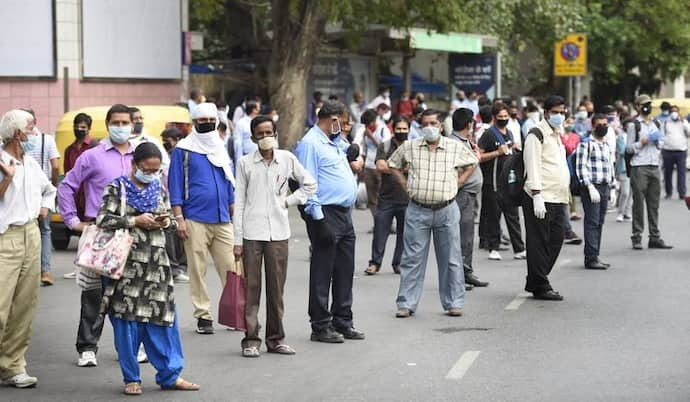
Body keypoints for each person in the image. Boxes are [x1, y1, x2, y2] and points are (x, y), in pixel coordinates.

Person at [97, 143, 200, 395]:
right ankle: (131, 378)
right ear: (135, 165)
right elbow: (102, 219)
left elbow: (167, 218)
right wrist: (134, 220)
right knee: (127, 322)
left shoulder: (158, 187)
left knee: (163, 320)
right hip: (126, 268)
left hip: (157, 265)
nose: (152, 174)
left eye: (156, 170)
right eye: (147, 169)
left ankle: (170, 374)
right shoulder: (117, 187)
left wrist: (165, 221)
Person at [58, 104, 141, 367]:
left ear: (132, 124)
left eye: (125, 122)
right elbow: (67, 186)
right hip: (101, 232)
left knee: (130, 293)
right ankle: (87, 347)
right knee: (94, 293)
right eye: (115, 122)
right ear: (107, 125)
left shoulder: (139, 156)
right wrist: (72, 221)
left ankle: (129, 347)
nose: (121, 127)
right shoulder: (92, 156)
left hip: (133, 229)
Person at [233, 115, 316, 357]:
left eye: (269, 132)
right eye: (260, 134)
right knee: (251, 288)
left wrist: (288, 201)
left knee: (276, 289)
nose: (265, 137)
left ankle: (276, 338)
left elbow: (310, 184)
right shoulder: (245, 163)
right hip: (251, 233)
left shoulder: (287, 159)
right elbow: (239, 202)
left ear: (276, 133)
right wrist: (237, 240)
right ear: (253, 138)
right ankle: (251, 339)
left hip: (279, 233)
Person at [388, 109, 478, 318]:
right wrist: (404, 183)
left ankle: (454, 302)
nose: (430, 127)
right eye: (426, 124)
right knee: (412, 259)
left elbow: (473, 161)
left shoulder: (454, 147)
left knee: (451, 259)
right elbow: (392, 164)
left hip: (446, 209)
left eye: (434, 123)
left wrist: (461, 180)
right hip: (418, 210)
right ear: (421, 126)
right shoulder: (410, 147)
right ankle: (406, 303)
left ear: (441, 126)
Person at [294, 100, 364, 343]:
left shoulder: (334, 141)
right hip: (325, 213)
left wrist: (351, 150)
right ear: (333, 120)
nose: (345, 127)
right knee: (323, 271)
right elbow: (307, 182)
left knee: (345, 270)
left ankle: (343, 320)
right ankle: (320, 325)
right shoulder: (310, 144)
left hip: (344, 214)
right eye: (343, 123)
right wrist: (317, 219)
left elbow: (348, 153)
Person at [168, 103, 236, 335]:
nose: (207, 123)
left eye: (210, 119)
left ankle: (235, 313)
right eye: (202, 120)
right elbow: (175, 185)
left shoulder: (220, 146)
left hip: (223, 218)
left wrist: (233, 206)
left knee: (232, 268)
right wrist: (179, 218)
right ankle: (203, 316)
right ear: (195, 123)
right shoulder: (183, 150)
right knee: (197, 271)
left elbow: (229, 179)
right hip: (194, 218)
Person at [0, 109, 56, 388]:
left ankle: (13, 365)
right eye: (31, 127)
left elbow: (49, 189)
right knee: (0, 305)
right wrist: (7, 178)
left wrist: (44, 209)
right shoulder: (1, 161)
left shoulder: (31, 163)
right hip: (4, 237)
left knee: (24, 305)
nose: (36, 132)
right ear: (17, 133)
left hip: (31, 234)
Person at [522, 95, 571, 301]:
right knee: (538, 242)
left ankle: (535, 280)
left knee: (556, 239)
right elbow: (532, 165)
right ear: (546, 112)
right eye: (556, 112)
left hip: (558, 197)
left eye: (562, 112)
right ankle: (540, 284)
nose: (559, 116)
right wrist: (536, 195)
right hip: (541, 196)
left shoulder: (557, 134)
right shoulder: (536, 134)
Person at [477, 104, 526, 261]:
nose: (504, 119)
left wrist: (515, 148)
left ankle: (519, 248)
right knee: (494, 216)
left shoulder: (510, 133)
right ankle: (493, 247)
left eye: (506, 117)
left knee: (513, 216)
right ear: (494, 117)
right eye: (501, 117)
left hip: (509, 182)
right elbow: (478, 156)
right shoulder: (488, 134)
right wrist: (496, 153)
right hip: (493, 182)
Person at [626, 95, 672, 250]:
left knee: (654, 205)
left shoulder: (657, 123)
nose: (647, 107)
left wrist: (658, 140)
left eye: (649, 104)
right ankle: (637, 237)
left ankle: (654, 237)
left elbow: (661, 143)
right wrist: (642, 142)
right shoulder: (634, 125)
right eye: (644, 105)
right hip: (639, 166)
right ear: (638, 107)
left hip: (654, 165)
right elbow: (628, 148)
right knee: (638, 204)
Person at [365, 115, 409, 276]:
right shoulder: (386, 145)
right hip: (386, 198)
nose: (401, 131)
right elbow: (380, 166)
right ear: (393, 129)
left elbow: (415, 167)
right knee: (380, 232)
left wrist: (393, 167)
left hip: (407, 198)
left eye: (404, 129)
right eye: (399, 128)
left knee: (404, 234)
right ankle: (375, 263)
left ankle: (398, 263)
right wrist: (402, 169)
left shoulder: (412, 147)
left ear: (409, 130)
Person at [449, 108, 488, 288]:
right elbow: (459, 171)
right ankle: (458, 276)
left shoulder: (465, 141)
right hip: (461, 194)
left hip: (470, 194)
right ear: (468, 124)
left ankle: (467, 271)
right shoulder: (454, 143)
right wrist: (476, 159)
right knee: (460, 236)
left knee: (468, 236)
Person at [22, 108, 60, 286]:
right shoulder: (47, 140)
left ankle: (26, 271)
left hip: (24, 192)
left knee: (25, 230)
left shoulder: (17, 141)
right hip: (43, 191)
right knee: (45, 231)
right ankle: (45, 271)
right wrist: (52, 185)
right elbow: (55, 166)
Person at [575, 114, 615, 269]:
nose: (603, 127)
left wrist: (612, 186)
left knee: (600, 222)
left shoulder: (605, 145)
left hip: (604, 186)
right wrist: (589, 186)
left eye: (606, 124)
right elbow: (581, 166)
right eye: (600, 124)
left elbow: (609, 166)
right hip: (592, 187)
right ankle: (591, 258)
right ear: (593, 126)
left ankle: (595, 255)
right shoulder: (586, 144)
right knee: (592, 222)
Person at [160, 127, 189, 284]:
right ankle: (174, 267)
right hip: (168, 200)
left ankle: (181, 267)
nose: (165, 143)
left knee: (182, 235)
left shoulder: (184, 153)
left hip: (181, 198)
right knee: (171, 234)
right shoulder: (165, 156)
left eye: (168, 140)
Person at [359, 109, 391, 218]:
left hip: (380, 167)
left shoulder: (383, 130)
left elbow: (385, 149)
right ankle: (377, 222)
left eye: (368, 123)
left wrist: (372, 137)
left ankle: (387, 222)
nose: (367, 126)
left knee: (383, 196)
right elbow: (364, 150)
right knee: (371, 198)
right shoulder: (365, 132)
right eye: (365, 124)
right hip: (368, 166)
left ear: (374, 121)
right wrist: (362, 168)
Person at [661, 105, 690, 199]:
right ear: (670, 113)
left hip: (681, 151)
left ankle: (682, 193)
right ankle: (668, 192)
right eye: (672, 111)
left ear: (678, 112)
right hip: (667, 150)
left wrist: (683, 122)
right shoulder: (665, 122)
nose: (674, 113)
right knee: (667, 173)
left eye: (676, 111)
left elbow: (689, 133)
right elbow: (661, 135)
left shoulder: (683, 122)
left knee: (681, 173)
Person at [128, 107, 170, 172]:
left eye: (141, 118)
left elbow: (166, 164)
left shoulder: (152, 141)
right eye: (135, 119)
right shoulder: (123, 142)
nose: (139, 121)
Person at [233, 100, 260, 169]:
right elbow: (238, 142)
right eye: (258, 107)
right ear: (254, 110)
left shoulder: (260, 121)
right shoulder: (241, 123)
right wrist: (239, 160)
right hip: (248, 156)